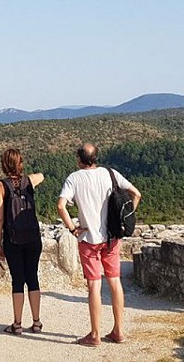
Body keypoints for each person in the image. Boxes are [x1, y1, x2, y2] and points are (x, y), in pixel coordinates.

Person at [57, 143, 142, 347]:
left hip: (88, 240)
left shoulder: (74, 178)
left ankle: (95, 335)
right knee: (114, 282)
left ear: (79, 159)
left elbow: (61, 205)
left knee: (94, 285)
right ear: (95, 158)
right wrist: (125, 220)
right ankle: (118, 331)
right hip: (112, 238)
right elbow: (136, 194)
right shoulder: (110, 174)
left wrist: (72, 228)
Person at [0, 148, 45, 335]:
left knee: (17, 280)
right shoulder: (28, 182)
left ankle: (17, 324)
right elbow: (41, 176)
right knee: (32, 278)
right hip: (33, 237)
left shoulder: (1, 186)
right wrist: (25, 175)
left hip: (13, 238)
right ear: (20, 163)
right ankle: (37, 322)